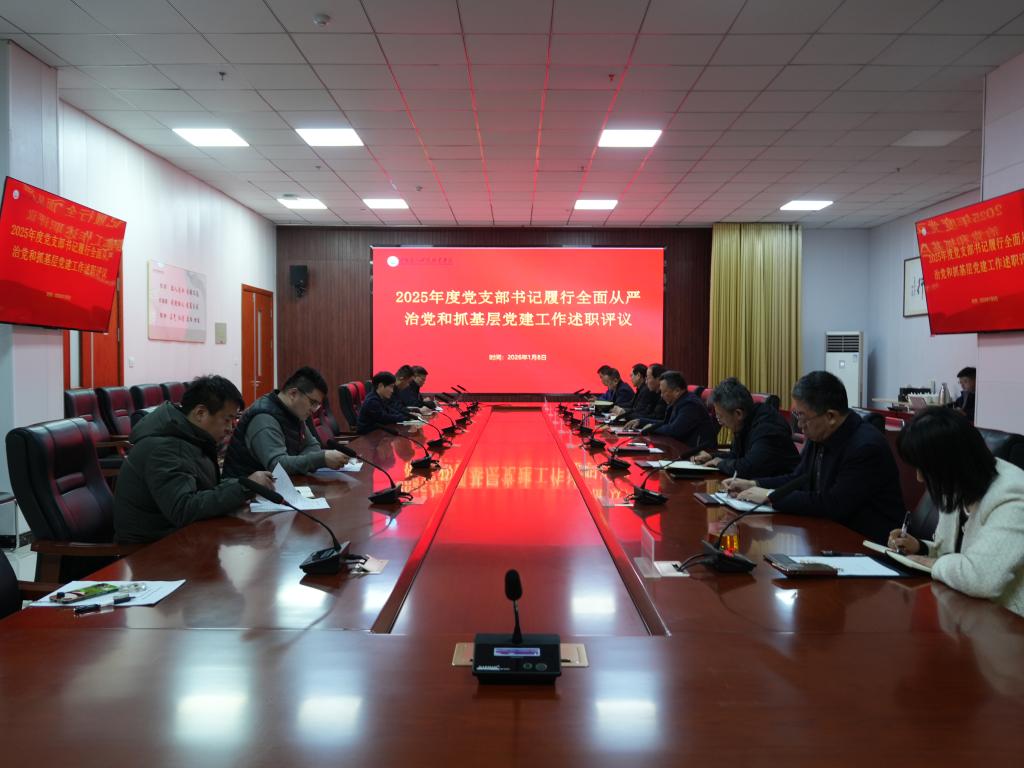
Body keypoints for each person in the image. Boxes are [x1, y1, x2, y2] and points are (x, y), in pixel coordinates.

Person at [723, 370, 904, 544]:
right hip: (828, 532)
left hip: (865, 543)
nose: (799, 425)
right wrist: (754, 484)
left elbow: (833, 505)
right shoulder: (820, 434)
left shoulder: (865, 447)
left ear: (831, 416)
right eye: (796, 415)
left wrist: (770, 496)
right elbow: (798, 479)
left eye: (802, 416)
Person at [888, 407, 1024, 617]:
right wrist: (921, 548)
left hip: (1007, 620)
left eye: (924, 469)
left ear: (950, 463)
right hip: (964, 611)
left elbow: (981, 578)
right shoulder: (957, 484)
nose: (919, 478)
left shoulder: (1013, 495)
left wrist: (933, 563)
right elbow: (955, 555)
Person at [114, 375, 275, 544]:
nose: (230, 428)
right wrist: (244, 488)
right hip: (150, 549)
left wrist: (248, 484)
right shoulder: (165, 448)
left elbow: (205, 488)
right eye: (227, 420)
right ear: (200, 413)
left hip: (180, 537)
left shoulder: (191, 437)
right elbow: (183, 509)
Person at [223, 366, 351, 477]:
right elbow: (278, 466)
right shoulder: (264, 418)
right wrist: (320, 459)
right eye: (313, 402)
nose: (314, 410)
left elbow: (313, 446)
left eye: (317, 405)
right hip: (246, 494)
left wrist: (295, 462)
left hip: (276, 488)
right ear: (293, 394)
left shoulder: (294, 413)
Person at [692, 377, 799, 477]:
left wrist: (720, 463)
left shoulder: (767, 428)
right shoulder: (744, 421)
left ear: (738, 414)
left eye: (720, 416)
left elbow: (749, 468)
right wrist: (712, 457)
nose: (719, 421)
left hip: (783, 487)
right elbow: (736, 456)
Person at [625, 370, 718, 448]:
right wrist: (641, 421)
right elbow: (666, 423)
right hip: (681, 447)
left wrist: (651, 428)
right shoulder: (678, 401)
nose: (661, 396)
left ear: (677, 391)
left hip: (697, 454)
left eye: (663, 392)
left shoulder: (690, 404)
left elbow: (674, 430)